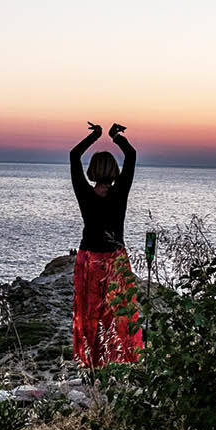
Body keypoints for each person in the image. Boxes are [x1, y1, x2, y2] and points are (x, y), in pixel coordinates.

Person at [70, 122, 144, 369]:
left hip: (89, 259)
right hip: (114, 259)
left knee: (89, 315)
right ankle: (122, 359)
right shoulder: (120, 191)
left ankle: (91, 362)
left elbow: (73, 155)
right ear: (114, 171)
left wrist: (95, 135)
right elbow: (131, 155)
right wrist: (115, 136)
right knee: (119, 314)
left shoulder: (84, 192)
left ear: (92, 170)